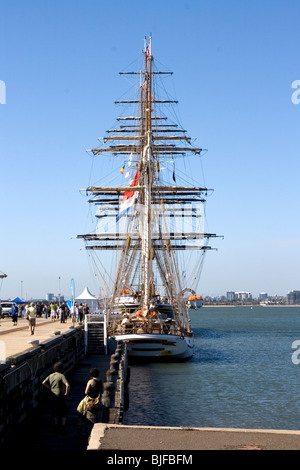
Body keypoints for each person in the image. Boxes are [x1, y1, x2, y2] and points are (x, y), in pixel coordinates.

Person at [42, 361, 70, 432]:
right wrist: (66, 393)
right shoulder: (61, 376)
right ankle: (63, 427)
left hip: (52, 396)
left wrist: (50, 388)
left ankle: (56, 426)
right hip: (60, 396)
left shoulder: (51, 375)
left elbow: (43, 382)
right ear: (61, 368)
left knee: (55, 410)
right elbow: (67, 385)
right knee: (64, 411)